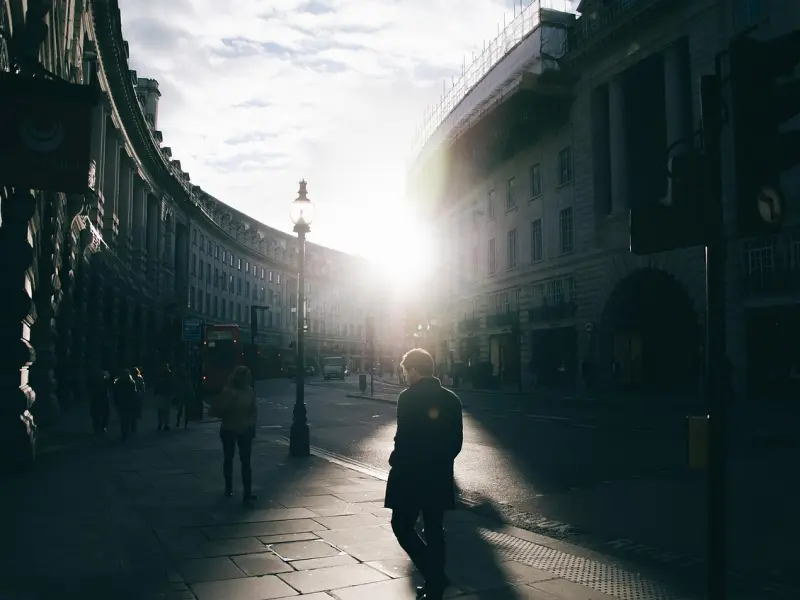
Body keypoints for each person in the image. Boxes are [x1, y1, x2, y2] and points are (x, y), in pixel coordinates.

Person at [384, 348, 463, 600]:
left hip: (410, 475)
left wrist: (395, 460)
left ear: (416, 371)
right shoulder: (452, 399)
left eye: (407, 371)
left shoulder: (408, 397)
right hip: (439, 474)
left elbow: (403, 437)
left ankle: (434, 575)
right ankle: (436, 582)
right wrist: (440, 461)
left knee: (401, 525)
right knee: (434, 529)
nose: (405, 376)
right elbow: (456, 443)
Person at [211, 366, 258, 505]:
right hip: (229, 429)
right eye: (247, 376)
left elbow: (254, 409)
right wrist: (230, 400)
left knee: (246, 462)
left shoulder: (250, 391)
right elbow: (220, 411)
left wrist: (251, 422)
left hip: (245, 430)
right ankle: (228, 487)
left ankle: (247, 494)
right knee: (228, 459)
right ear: (240, 377)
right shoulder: (228, 391)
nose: (249, 378)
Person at [113, 369, 138, 441]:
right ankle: (125, 432)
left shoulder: (129, 383)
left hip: (127, 403)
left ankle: (126, 432)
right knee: (124, 419)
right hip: (124, 403)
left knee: (125, 418)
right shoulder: (122, 383)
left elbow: (133, 394)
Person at [154, 363, 175, 431]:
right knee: (163, 410)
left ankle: (163, 423)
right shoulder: (168, 374)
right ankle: (163, 423)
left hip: (165, 394)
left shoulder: (168, 374)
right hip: (163, 394)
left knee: (164, 410)